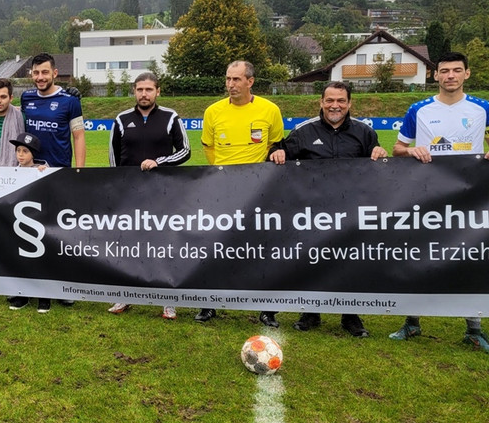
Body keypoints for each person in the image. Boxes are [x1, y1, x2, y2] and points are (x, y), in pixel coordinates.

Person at [268, 81, 387, 337]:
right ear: (321, 102)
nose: (335, 106)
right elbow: (279, 148)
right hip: (314, 213)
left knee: (351, 261)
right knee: (314, 260)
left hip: (351, 211)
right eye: (330, 100)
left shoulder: (365, 133)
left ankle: (351, 315)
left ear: (349, 103)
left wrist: (379, 152)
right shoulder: (304, 132)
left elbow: (377, 165)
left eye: (341, 101)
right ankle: (311, 312)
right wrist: (276, 153)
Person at [391, 51, 489, 352]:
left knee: (469, 256)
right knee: (419, 254)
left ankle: (474, 328)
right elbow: (397, 148)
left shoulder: (483, 108)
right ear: (436, 75)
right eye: (444, 71)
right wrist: (412, 151)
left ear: (466, 74)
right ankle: (412, 322)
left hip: (468, 196)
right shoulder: (418, 109)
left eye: (456, 71)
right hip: (426, 193)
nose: (450, 76)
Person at [196, 60, 284, 327]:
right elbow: (209, 149)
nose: (231, 85)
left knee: (261, 249)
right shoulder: (213, 111)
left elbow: (275, 144)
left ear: (250, 81)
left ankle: (267, 308)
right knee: (216, 246)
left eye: (236, 79)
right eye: (228, 79)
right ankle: (208, 304)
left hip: (259, 191)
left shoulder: (270, 110)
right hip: (222, 190)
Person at [106, 71, 191, 319]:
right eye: (140, 89)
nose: (144, 94)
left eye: (149, 89)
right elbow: (113, 158)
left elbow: (185, 151)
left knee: (163, 245)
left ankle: (167, 299)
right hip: (129, 196)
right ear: (134, 91)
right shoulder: (121, 119)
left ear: (158, 91)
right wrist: (115, 187)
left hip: (162, 194)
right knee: (127, 246)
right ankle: (124, 296)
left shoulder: (170, 117)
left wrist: (160, 162)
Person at [5, 133, 52, 313]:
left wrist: (44, 171)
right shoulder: (12, 172)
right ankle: (22, 294)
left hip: (39, 224)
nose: (20, 155)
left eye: (25, 151)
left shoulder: (42, 170)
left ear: (33, 153)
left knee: (40, 259)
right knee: (20, 258)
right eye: (18, 151)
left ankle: (44, 297)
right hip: (19, 223)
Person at [20, 53, 86, 168]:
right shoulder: (26, 97)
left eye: (45, 72)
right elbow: (15, 112)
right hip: (31, 168)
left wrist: (79, 171)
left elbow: (79, 136)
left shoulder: (70, 101)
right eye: (36, 73)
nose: (40, 77)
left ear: (54, 73)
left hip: (58, 169)